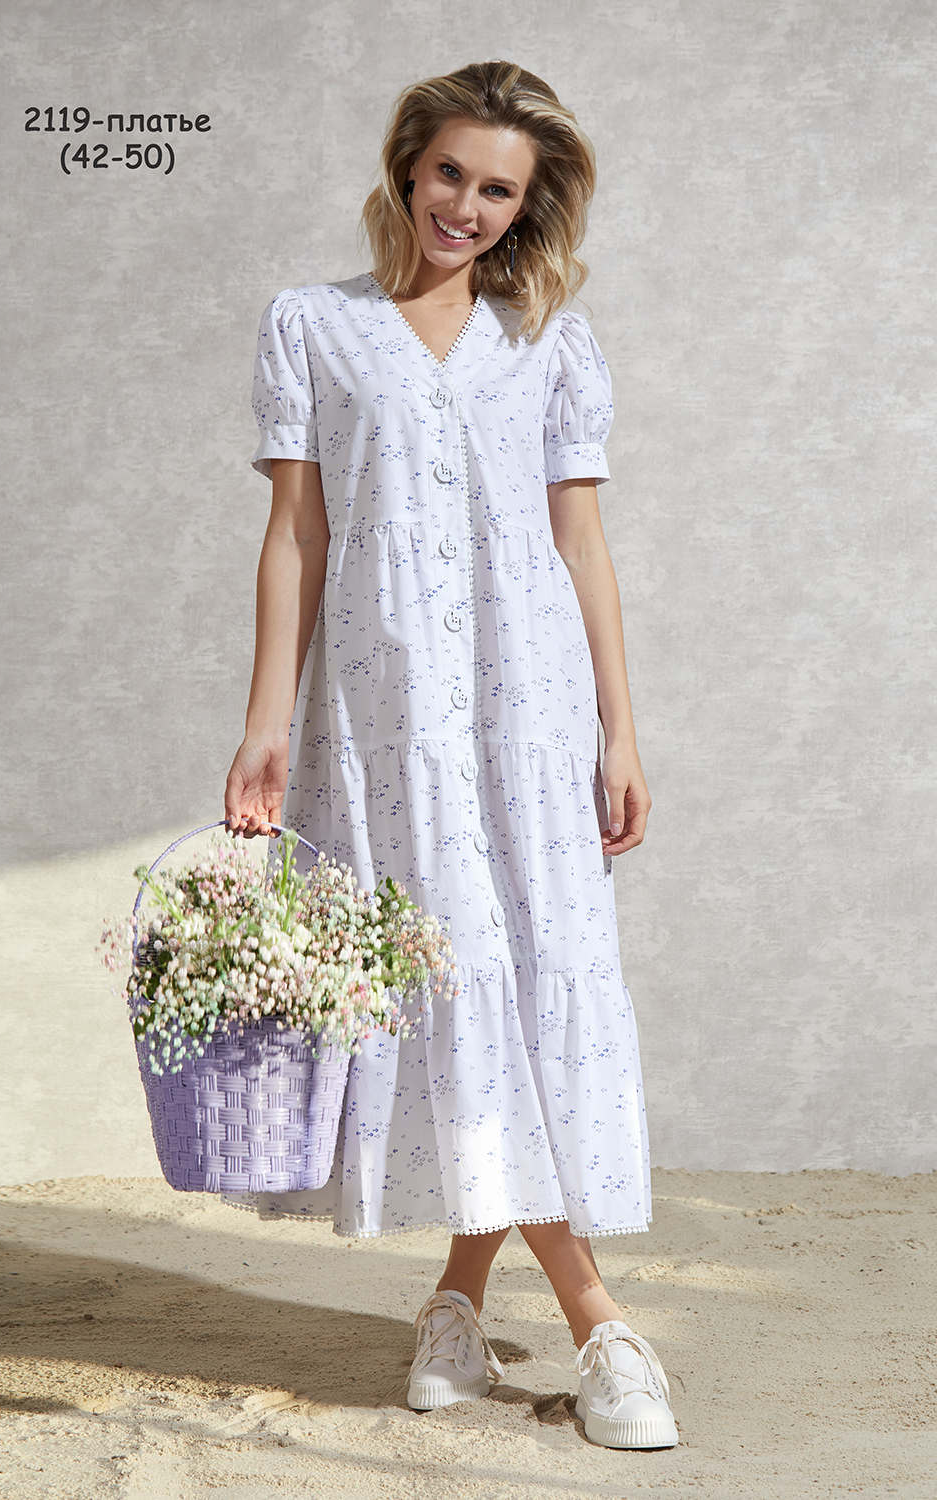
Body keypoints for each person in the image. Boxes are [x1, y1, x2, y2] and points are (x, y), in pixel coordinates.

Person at [224, 60, 678, 1450]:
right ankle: (593, 1322)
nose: (466, 207)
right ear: (406, 168)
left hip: (527, 715)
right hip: (383, 728)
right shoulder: (314, 327)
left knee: (516, 983)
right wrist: (264, 721)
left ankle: (478, 1311)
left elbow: (581, 545)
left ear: (524, 207)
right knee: (452, 985)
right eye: (449, 175)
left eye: (497, 190)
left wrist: (619, 726)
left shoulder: (550, 344)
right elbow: (296, 535)